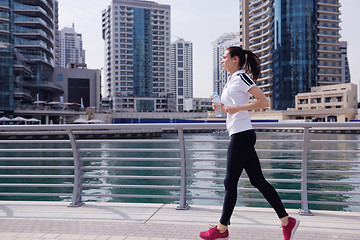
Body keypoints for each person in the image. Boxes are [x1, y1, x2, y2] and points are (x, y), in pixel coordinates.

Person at [199, 46, 300, 240]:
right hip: (238, 133)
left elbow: (264, 101)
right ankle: (287, 221)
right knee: (257, 180)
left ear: (235, 59)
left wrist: (237, 108)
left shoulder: (241, 77)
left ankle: (222, 228)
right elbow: (232, 108)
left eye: (224, 57)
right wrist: (221, 107)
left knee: (230, 182)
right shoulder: (229, 81)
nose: (222, 61)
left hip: (242, 134)